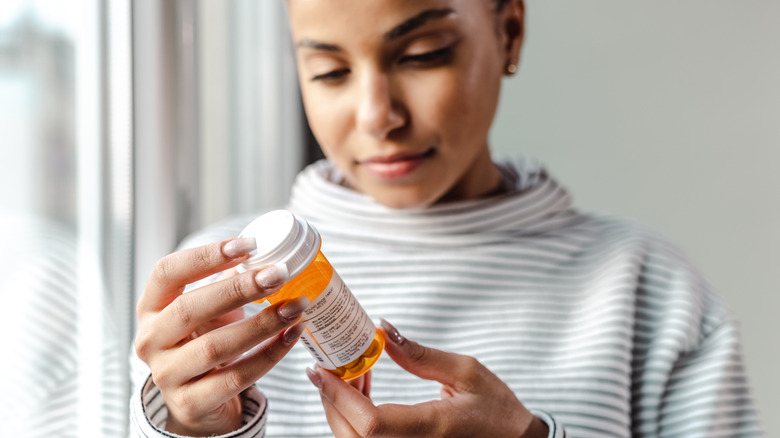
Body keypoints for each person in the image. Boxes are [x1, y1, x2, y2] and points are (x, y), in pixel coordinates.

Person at [130, 0, 762, 436]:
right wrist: (183, 426)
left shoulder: (647, 288)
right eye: (329, 71)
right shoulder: (212, 296)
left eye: (423, 54)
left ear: (509, 30)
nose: (378, 116)